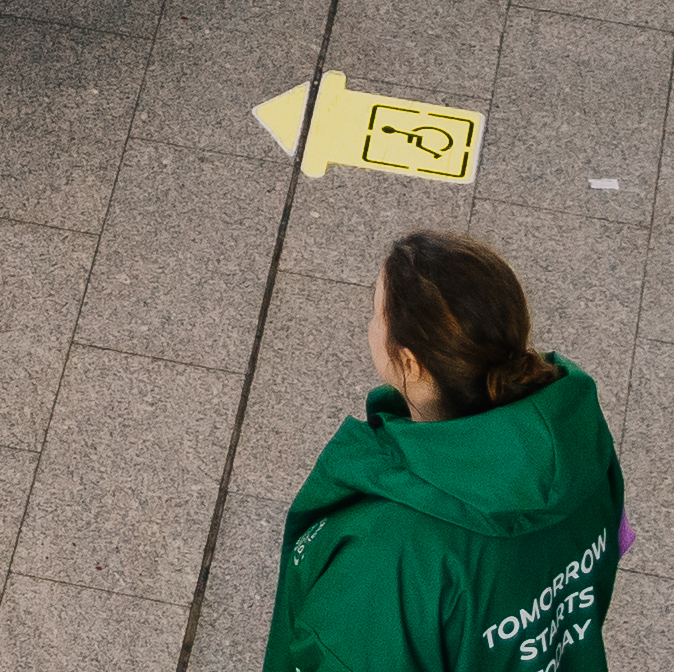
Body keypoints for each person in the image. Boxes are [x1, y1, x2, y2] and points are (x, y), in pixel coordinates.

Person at [269, 233, 627, 672]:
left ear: (411, 362)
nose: (369, 326)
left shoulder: (383, 557)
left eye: (375, 315)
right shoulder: (579, 446)